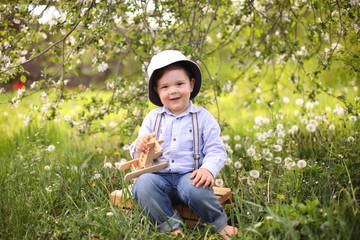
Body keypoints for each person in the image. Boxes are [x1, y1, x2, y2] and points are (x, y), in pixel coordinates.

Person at [129, 50, 238, 239]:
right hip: (158, 179)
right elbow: (138, 154)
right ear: (156, 90)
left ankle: (218, 224)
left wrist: (208, 170)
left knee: (197, 189)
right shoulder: (153, 118)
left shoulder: (203, 117)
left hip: (189, 177)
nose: (173, 91)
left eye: (179, 84)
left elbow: (215, 150)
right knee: (143, 184)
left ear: (191, 84)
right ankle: (170, 226)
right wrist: (139, 145)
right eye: (165, 87)